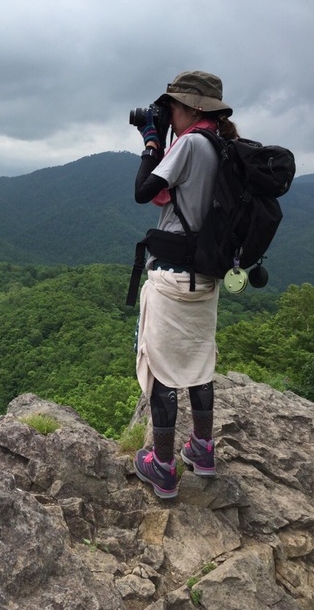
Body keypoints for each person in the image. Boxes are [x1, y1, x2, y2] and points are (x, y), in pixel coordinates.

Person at [131, 71, 239, 499]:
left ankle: (162, 466)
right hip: (205, 277)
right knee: (197, 364)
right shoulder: (223, 146)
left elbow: (144, 191)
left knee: (162, 371)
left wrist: (151, 143)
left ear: (194, 109)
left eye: (172, 107)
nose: (167, 113)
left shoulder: (191, 144)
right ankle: (203, 450)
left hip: (173, 277)